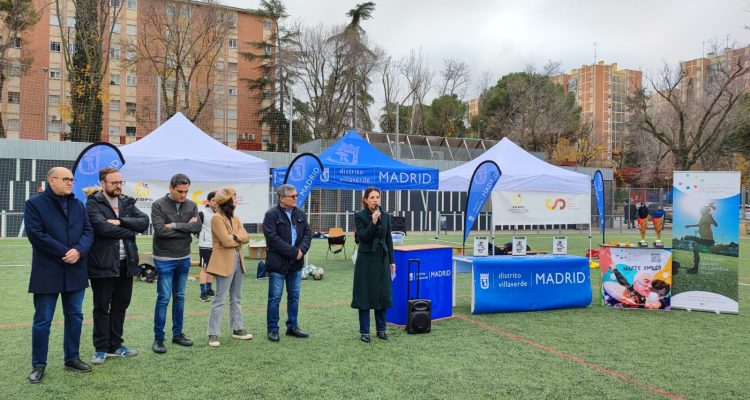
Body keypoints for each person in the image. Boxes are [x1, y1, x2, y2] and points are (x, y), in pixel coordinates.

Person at [24, 167, 94, 383]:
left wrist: (78, 251)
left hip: (75, 269)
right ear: (51, 180)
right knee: (43, 320)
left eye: (71, 179)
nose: (70, 182)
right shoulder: (34, 204)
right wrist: (65, 252)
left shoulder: (78, 204)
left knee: (75, 316)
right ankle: (39, 364)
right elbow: (36, 235)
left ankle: (72, 358)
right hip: (48, 270)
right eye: (65, 179)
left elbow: (88, 232)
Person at [86, 167, 149, 365]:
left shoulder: (126, 202)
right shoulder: (93, 202)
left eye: (120, 182)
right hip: (103, 263)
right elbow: (101, 228)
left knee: (121, 305)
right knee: (102, 307)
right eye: (114, 183)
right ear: (103, 183)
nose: (118, 186)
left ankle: (116, 345)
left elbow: (144, 222)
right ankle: (100, 348)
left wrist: (120, 221)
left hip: (126, 263)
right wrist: (129, 231)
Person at [150, 173, 202, 354]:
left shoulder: (191, 205)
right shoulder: (158, 205)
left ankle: (177, 334)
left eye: (186, 191)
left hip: (184, 257)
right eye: (180, 191)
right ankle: (158, 339)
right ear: (170, 188)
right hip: (164, 258)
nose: (183, 195)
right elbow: (160, 231)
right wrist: (185, 227)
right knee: (164, 298)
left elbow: (197, 227)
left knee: (179, 297)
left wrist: (173, 225)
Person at [262, 184, 312, 342]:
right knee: (275, 298)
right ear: (282, 198)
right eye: (293, 196)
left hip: (296, 264)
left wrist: (301, 250)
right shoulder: (271, 215)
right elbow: (272, 239)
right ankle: (272, 329)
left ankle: (292, 326)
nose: (296, 198)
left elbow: (308, 234)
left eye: (296, 195)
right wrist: (294, 252)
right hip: (278, 263)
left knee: (294, 296)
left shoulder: (300, 213)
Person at [205, 188, 253, 347]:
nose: (236, 200)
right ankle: (213, 333)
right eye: (234, 198)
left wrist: (235, 237)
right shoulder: (216, 218)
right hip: (223, 262)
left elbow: (246, 237)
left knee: (236, 297)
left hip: (238, 261)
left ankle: (237, 329)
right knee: (219, 298)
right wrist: (238, 240)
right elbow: (226, 242)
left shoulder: (235, 218)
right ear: (226, 201)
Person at [351, 187, 395, 343]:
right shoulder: (359, 215)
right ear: (365, 200)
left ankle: (381, 329)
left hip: (382, 258)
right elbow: (363, 237)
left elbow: (388, 239)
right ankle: (365, 332)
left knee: (382, 294)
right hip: (366, 260)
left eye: (377, 197)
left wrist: (392, 261)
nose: (375, 200)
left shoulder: (385, 215)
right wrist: (373, 222)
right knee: (364, 295)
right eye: (372, 197)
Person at [198, 191, 218, 302]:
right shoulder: (202, 213)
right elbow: (195, 228)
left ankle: (209, 289)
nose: (215, 203)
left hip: (216, 245)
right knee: (205, 268)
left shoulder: (220, 212)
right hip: (205, 245)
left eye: (217, 200)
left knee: (212, 269)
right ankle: (202, 292)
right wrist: (201, 237)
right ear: (209, 201)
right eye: (213, 200)